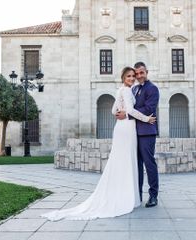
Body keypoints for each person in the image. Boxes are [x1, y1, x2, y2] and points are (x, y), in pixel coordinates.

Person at [41, 67, 156, 221]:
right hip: (128, 128)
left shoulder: (130, 89)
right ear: (123, 77)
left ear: (146, 73)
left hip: (124, 128)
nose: (133, 78)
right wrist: (144, 118)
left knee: (124, 161)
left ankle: (137, 195)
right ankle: (130, 196)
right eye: (130, 76)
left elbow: (114, 109)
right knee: (127, 162)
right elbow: (128, 110)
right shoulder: (129, 90)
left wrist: (120, 114)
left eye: (134, 75)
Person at [116, 62, 160, 208]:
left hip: (147, 132)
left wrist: (127, 114)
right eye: (137, 74)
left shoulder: (152, 89)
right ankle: (138, 195)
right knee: (137, 166)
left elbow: (149, 109)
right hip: (133, 133)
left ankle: (153, 195)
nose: (139, 76)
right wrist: (121, 112)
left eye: (142, 73)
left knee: (149, 164)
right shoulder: (133, 89)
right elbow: (127, 106)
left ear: (146, 72)